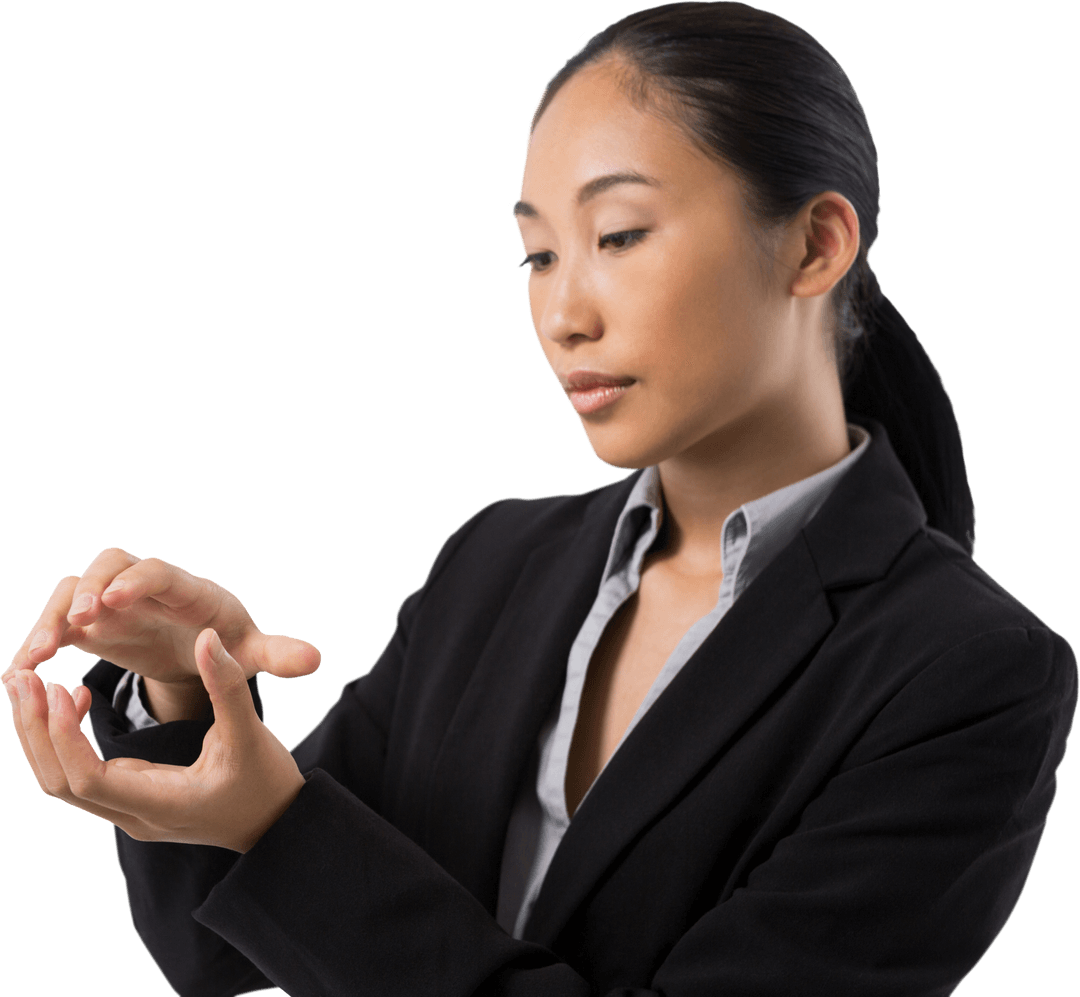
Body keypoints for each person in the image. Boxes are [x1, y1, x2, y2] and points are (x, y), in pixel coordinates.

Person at [4, 2, 1076, 994]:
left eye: (617, 237)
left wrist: (284, 826)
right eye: (535, 253)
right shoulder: (496, 561)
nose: (563, 314)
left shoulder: (972, 675)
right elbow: (215, 942)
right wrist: (184, 700)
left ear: (814, 244)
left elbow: (301, 861)